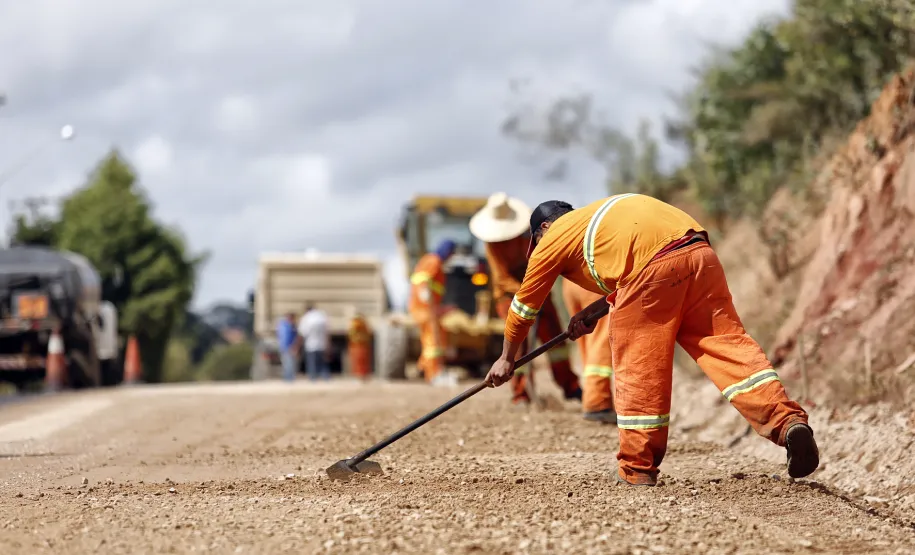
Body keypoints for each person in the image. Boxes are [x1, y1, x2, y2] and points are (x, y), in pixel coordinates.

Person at [484, 193, 819, 486]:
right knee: (727, 347)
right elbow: (640, 262)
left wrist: (506, 358)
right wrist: (593, 312)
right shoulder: (600, 215)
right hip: (699, 254)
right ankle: (786, 420)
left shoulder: (553, 238)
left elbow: (523, 309)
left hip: (654, 269)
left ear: (543, 229)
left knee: (639, 365)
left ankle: (637, 466)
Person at [469, 192, 582, 405]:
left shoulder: (527, 234)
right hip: (509, 295)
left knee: (555, 337)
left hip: (539, 286)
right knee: (517, 344)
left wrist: (539, 286)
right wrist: (530, 291)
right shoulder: (492, 244)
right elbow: (502, 279)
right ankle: (521, 393)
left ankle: (570, 386)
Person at [561, 278, 616, 423]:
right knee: (600, 342)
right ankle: (597, 402)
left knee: (587, 343)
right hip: (596, 283)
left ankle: (592, 395)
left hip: (571, 283)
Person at [408, 239, 456, 385]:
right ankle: (433, 373)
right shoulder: (433, 262)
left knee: (432, 339)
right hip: (425, 309)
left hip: (425, 308)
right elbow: (423, 281)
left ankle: (423, 367)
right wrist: (426, 296)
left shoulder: (430, 261)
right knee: (433, 342)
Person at [298, 303, 330, 381]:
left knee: (312, 363)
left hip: (310, 344)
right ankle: (326, 377)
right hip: (321, 344)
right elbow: (327, 331)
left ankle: (313, 378)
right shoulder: (321, 316)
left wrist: (297, 345)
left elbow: (302, 333)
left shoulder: (306, 318)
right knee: (322, 362)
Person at [347, 312, 372, 381]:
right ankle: (360, 376)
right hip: (358, 345)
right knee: (359, 361)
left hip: (360, 345)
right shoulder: (359, 324)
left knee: (361, 361)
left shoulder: (358, 324)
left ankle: (362, 375)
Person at [276, 312, 299, 382]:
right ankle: (287, 378)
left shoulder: (292, 326)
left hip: (290, 348)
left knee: (290, 364)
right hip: (283, 347)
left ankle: (290, 379)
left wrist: (295, 347)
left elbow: (296, 338)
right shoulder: (283, 325)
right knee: (286, 364)